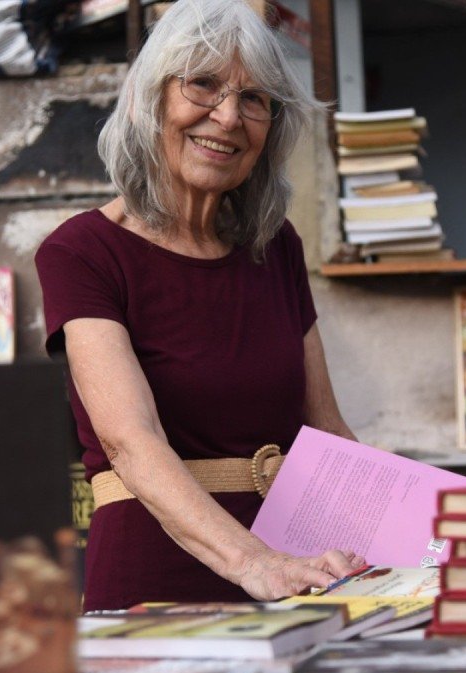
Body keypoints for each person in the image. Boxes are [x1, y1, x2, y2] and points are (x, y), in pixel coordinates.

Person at [35, 0, 363, 611]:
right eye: (203, 85)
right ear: (149, 99)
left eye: (255, 99)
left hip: (299, 572)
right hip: (156, 578)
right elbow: (132, 442)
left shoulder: (277, 246)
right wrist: (255, 563)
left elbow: (327, 432)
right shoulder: (81, 252)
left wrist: (429, 536)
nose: (229, 116)